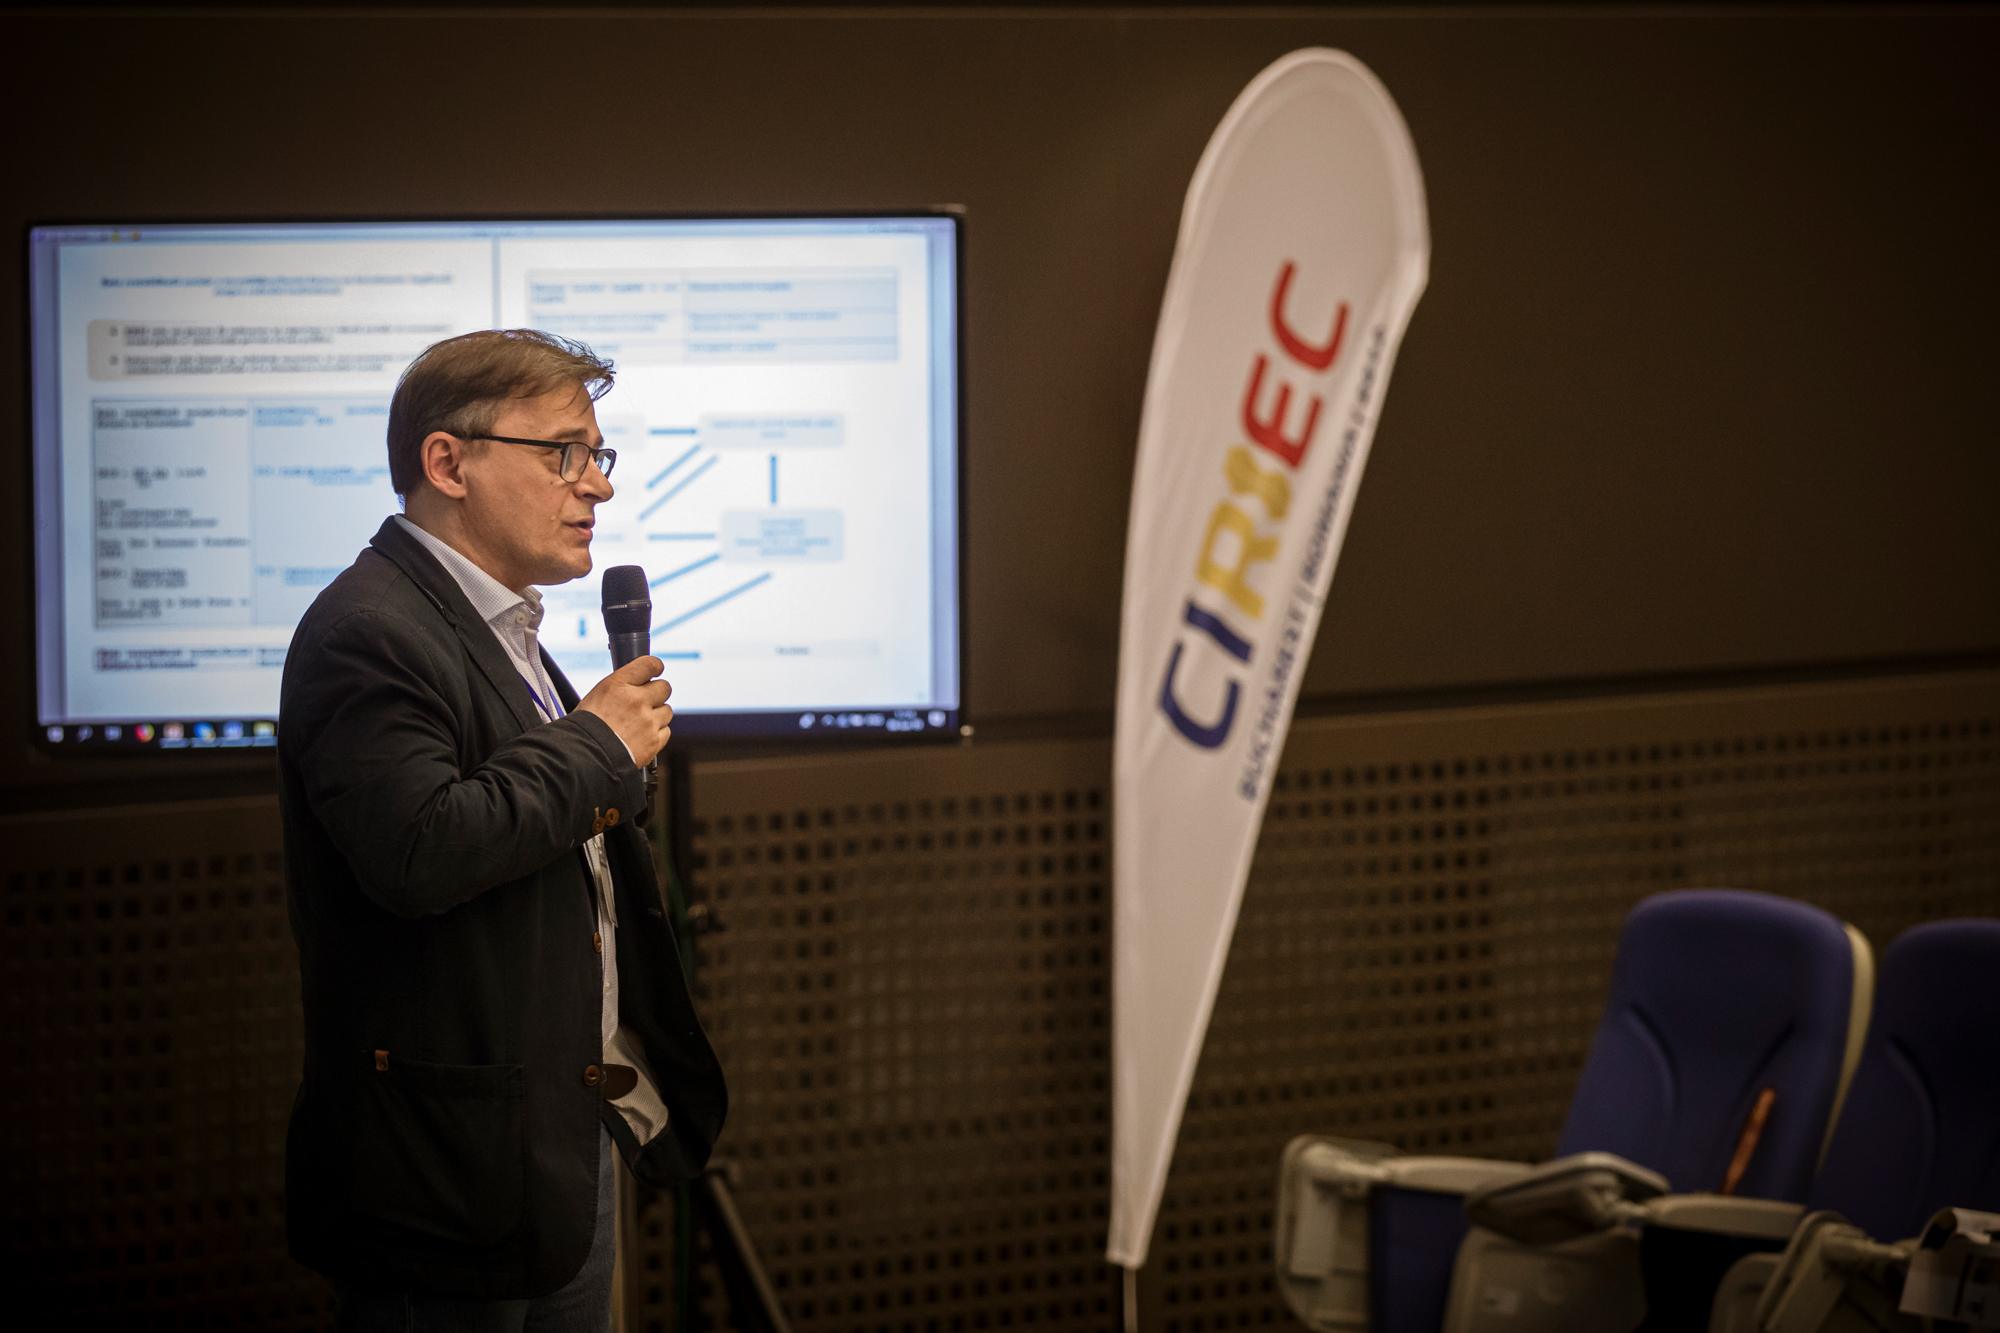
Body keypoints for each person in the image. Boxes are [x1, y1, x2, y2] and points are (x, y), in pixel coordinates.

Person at [278, 329, 727, 1328]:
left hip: (555, 1135)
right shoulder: (368, 631)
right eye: (564, 453)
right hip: (443, 1178)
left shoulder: (504, 626)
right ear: (448, 463)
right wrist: (598, 745)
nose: (597, 485)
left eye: (597, 455)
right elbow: (420, 846)